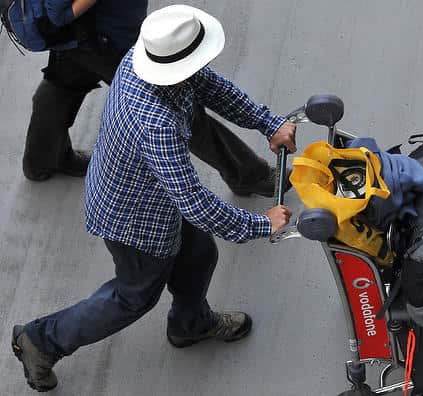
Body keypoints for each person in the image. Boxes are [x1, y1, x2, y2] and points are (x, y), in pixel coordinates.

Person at [11, 5, 295, 392]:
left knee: (199, 257)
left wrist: (269, 123)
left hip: (153, 196)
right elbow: (194, 202)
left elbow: (214, 89)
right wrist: (263, 224)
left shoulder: (142, 58)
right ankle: (41, 341)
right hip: (134, 220)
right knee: (133, 297)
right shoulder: (156, 122)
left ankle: (189, 325)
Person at [21, 0, 284, 197]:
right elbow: (58, 13)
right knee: (181, 111)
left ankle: (42, 160)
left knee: (59, 89)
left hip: (82, 39)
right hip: (105, 41)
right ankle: (248, 175)